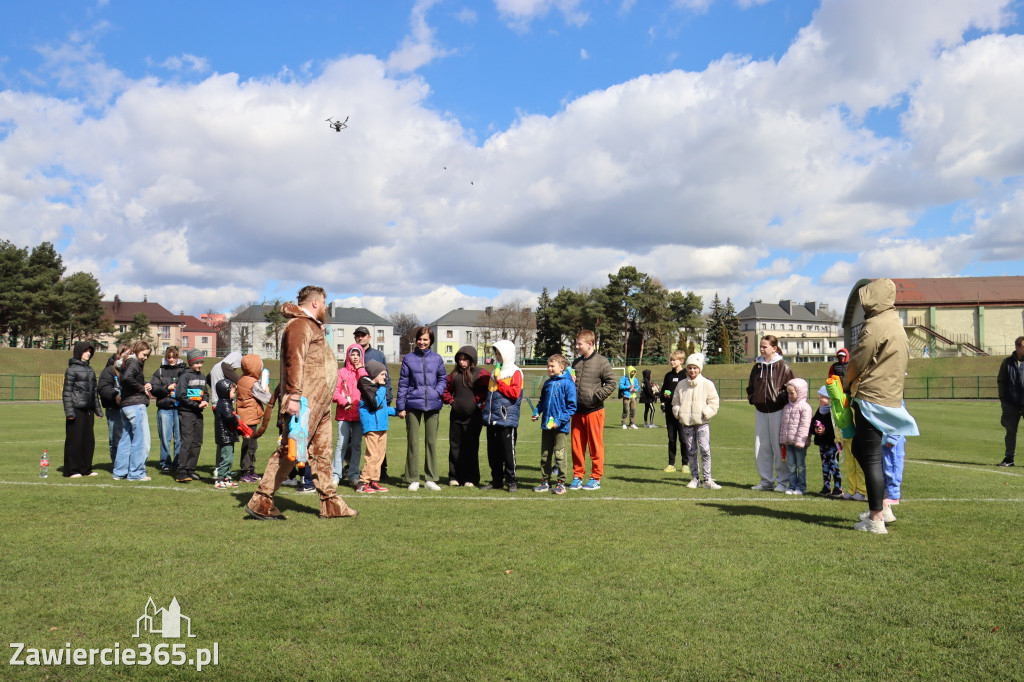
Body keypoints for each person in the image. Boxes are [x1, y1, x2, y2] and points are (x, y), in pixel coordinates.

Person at [246, 286, 357, 520]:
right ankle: (261, 501)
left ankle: (330, 503)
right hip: (305, 400)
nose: (325, 307)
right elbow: (293, 361)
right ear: (315, 303)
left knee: (322, 452)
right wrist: (294, 396)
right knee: (291, 449)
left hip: (320, 401)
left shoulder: (311, 325)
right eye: (324, 303)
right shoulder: (299, 325)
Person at [845, 277, 919, 534]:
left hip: (871, 397)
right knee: (862, 450)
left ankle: (877, 518)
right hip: (889, 395)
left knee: (871, 456)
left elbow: (859, 359)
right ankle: (882, 505)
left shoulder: (875, 325)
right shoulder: (895, 323)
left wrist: (846, 382)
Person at [396, 326, 447, 491]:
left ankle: (431, 479)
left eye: (425, 339)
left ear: (431, 341)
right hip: (413, 404)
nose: (422, 342)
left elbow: (443, 378)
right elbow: (403, 383)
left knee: (431, 442)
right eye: (420, 339)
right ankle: (413, 479)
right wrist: (400, 406)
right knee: (413, 442)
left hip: (433, 404)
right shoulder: (408, 359)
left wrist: (436, 392)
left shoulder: (437, 358)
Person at [570, 330, 617, 491]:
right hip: (577, 411)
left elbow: (611, 383)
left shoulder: (602, 362)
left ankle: (595, 478)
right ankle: (577, 476)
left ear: (590, 344)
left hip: (594, 411)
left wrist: (596, 397)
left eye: (579, 344)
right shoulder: (576, 363)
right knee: (577, 446)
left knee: (595, 446)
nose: (576, 346)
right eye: (576, 343)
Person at [746, 335, 794, 493]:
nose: (761, 349)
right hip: (760, 411)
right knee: (761, 448)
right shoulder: (757, 367)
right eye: (760, 346)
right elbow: (751, 387)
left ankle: (782, 482)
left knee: (779, 447)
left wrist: (781, 401)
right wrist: (753, 398)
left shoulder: (783, 366)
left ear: (774, 348)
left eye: (764, 346)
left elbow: (791, 388)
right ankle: (766, 481)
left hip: (778, 411)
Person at [671, 353, 721, 489]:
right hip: (687, 423)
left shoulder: (707, 384)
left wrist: (706, 413)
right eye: (690, 368)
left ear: (699, 368)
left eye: (695, 368)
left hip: (702, 423)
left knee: (705, 450)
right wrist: (678, 412)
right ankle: (694, 478)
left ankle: (707, 479)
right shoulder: (681, 384)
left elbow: (714, 402)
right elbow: (675, 401)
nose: (692, 370)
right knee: (691, 451)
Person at [441, 345, 489, 487]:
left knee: (471, 448)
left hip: (474, 418)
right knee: (455, 448)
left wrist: (477, 401)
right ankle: (454, 477)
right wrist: (451, 401)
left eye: (465, 359)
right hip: (456, 418)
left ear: (472, 360)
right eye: (460, 359)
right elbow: (444, 390)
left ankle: (471, 478)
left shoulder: (481, 373)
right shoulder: (454, 374)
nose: (462, 362)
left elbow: (489, 390)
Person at [481, 339, 524, 492]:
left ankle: (511, 481)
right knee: (493, 454)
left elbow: (515, 393)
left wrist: (500, 381)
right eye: (496, 353)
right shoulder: (495, 372)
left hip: (506, 419)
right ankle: (496, 480)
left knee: (508, 453)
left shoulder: (515, 372)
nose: (497, 356)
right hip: (492, 419)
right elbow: (491, 395)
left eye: (499, 353)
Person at [532, 354, 576, 494]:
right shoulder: (547, 383)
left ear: (561, 367)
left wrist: (558, 421)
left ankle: (561, 483)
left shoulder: (568, 383)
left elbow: (571, 407)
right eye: (548, 366)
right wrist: (537, 412)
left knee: (560, 455)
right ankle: (545, 482)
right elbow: (542, 402)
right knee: (545, 455)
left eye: (552, 366)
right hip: (546, 425)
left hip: (560, 427)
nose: (549, 368)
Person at [354, 325, 393, 479]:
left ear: (369, 337)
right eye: (357, 335)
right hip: (359, 402)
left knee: (380, 439)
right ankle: (354, 471)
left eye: (362, 335)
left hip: (378, 400)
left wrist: (388, 398)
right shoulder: (353, 354)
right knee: (356, 440)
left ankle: (381, 472)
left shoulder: (378, 355)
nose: (360, 337)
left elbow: (386, 377)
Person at [828, 347, 866, 498]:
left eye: (844, 356)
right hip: (845, 435)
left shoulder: (853, 401)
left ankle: (862, 490)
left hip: (855, 433)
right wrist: (838, 438)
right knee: (849, 464)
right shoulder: (834, 367)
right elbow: (837, 422)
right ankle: (852, 489)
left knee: (858, 462)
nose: (842, 358)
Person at [62, 341, 103, 478]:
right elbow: (67, 393)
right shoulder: (71, 370)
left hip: (89, 410)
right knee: (75, 441)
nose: (88, 353)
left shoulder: (90, 370)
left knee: (88, 441)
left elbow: (94, 393)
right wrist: (69, 412)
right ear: (79, 352)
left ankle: (86, 469)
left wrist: (98, 410)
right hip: (76, 410)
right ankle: (72, 470)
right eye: (85, 351)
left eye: (90, 351)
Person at [116, 340, 154, 482]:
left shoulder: (127, 361)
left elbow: (126, 378)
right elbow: (127, 378)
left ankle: (119, 472)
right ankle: (136, 473)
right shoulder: (133, 362)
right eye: (144, 354)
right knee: (141, 440)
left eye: (147, 355)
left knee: (126, 439)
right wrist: (141, 388)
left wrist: (143, 384)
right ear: (137, 351)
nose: (145, 358)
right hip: (136, 405)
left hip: (126, 405)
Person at [356, 360, 396, 493]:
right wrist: (383, 388)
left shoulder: (378, 388)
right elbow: (375, 404)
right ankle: (363, 482)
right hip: (372, 428)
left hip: (382, 427)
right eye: (382, 374)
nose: (385, 377)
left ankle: (374, 480)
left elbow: (383, 409)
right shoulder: (368, 389)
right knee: (372, 455)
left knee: (380, 456)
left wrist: (398, 411)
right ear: (374, 374)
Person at [332, 343, 368, 488]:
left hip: (359, 414)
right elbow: (335, 392)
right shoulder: (341, 372)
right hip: (344, 414)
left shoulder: (364, 372)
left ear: (361, 356)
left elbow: (368, 388)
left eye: (358, 354)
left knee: (356, 445)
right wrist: (343, 402)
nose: (355, 357)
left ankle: (354, 475)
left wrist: (361, 369)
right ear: (348, 356)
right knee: (341, 444)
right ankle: (335, 475)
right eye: (352, 354)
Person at [175, 349, 209, 483]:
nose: (199, 365)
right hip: (187, 413)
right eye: (197, 363)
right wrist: (196, 405)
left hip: (198, 414)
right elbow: (181, 395)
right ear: (190, 363)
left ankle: (191, 469)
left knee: (197, 442)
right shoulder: (185, 376)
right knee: (187, 442)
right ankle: (181, 471)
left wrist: (205, 400)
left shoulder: (202, 377)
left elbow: (205, 393)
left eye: (201, 362)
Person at [236, 354, 271, 483]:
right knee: (250, 445)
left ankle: (250, 470)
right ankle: (246, 471)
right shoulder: (252, 383)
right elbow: (267, 399)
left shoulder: (242, 379)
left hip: (244, 416)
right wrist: (266, 390)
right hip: (250, 417)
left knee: (250, 444)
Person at [149, 346, 185, 473]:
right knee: (165, 437)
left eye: (174, 357)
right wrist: (167, 388)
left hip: (180, 408)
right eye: (169, 357)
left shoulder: (184, 371)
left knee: (179, 438)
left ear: (177, 357)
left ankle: (178, 462)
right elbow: (153, 388)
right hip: (164, 408)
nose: (171, 360)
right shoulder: (160, 371)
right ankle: (165, 463)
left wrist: (177, 392)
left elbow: (188, 387)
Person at [779, 378, 813, 495]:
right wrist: (783, 439)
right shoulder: (787, 407)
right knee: (791, 465)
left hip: (800, 443)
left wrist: (800, 442)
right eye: (788, 393)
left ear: (800, 392)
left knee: (800, 466)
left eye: (792, 393)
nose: (789, 395)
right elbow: (783, 425)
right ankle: (792, 486)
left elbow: (805, 426)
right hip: (789, 442)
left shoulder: (805, 407)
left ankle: (801, 487)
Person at [97, 345, 130, 464]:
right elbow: (103, 388)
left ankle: (132, 465)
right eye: (125, 354)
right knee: (116, 439)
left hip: (130, 407)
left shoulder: (131, 369)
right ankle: (118, 465)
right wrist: (115, 394)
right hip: (115, 409)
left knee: (132, 438)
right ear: (119, 355)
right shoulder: (109, 370)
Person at [996, 336, 1024, 467]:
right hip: (1011, 403)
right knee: (1011, 432)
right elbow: (1001, 381)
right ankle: (1009, 459)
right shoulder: (1007, 362)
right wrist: (1003, 399)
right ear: (1017, 347)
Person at [811, 385, 842, 496]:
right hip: (822, 443)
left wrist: (825, 430)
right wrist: (815, 429)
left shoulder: (833, 411)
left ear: (829, 399)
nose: (820, 400)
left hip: (832, 444)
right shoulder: (819, 411)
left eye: (822, 398)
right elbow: (813, 423)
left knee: (834, 465)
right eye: (819, 398)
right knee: (825, 465)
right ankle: (826, 487)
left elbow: (835, 428)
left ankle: (838, 488)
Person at [661, 350, 688, 474]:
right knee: (671, 439)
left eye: (674, 360)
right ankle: (671, 464)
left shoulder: (686, 375)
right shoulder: (668, 376)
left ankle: (685, 464)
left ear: (681, 361)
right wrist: (664, 397)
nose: (672, 362)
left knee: (683, 439)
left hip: (683, 412)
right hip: (670, 411)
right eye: (671, 360)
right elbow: (663, 391)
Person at [212, 379, 242, 489]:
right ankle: (219, 479)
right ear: (225, 391)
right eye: (232, 391)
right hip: (225, 436)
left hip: (229, 435)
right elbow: (230, 417)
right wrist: (238, 422)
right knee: (226, 458)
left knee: (230, 458)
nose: (234, 393)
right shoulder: (224, 403)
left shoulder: (226, 403)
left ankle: (227, 478)